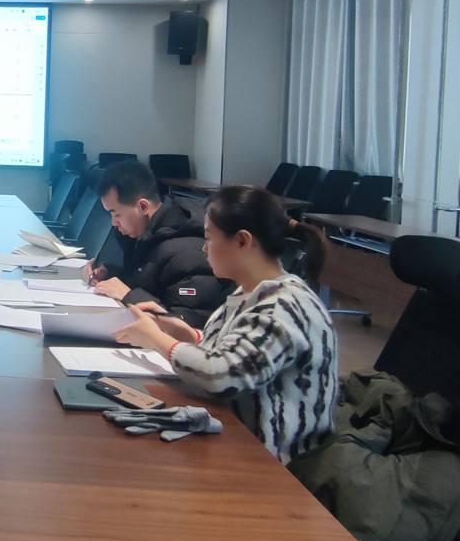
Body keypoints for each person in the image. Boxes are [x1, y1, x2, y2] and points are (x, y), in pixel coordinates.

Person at [112, 184, 338, 462]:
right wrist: (188, 335)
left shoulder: (285, 306)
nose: (204, 248)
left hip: (276, 463)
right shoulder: (251, 292)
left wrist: (156, 339)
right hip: (239, 439)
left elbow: (221, 375)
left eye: (209, 238)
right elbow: (236, 350)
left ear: (242, 241)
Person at [82, 160, 230, 327]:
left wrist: (128, 296)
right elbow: (149, 281)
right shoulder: (146, 235)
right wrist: (109, 273)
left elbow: (189, 325)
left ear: (143, 206)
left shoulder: (185, 252)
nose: (113, 223)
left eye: (116, 214)